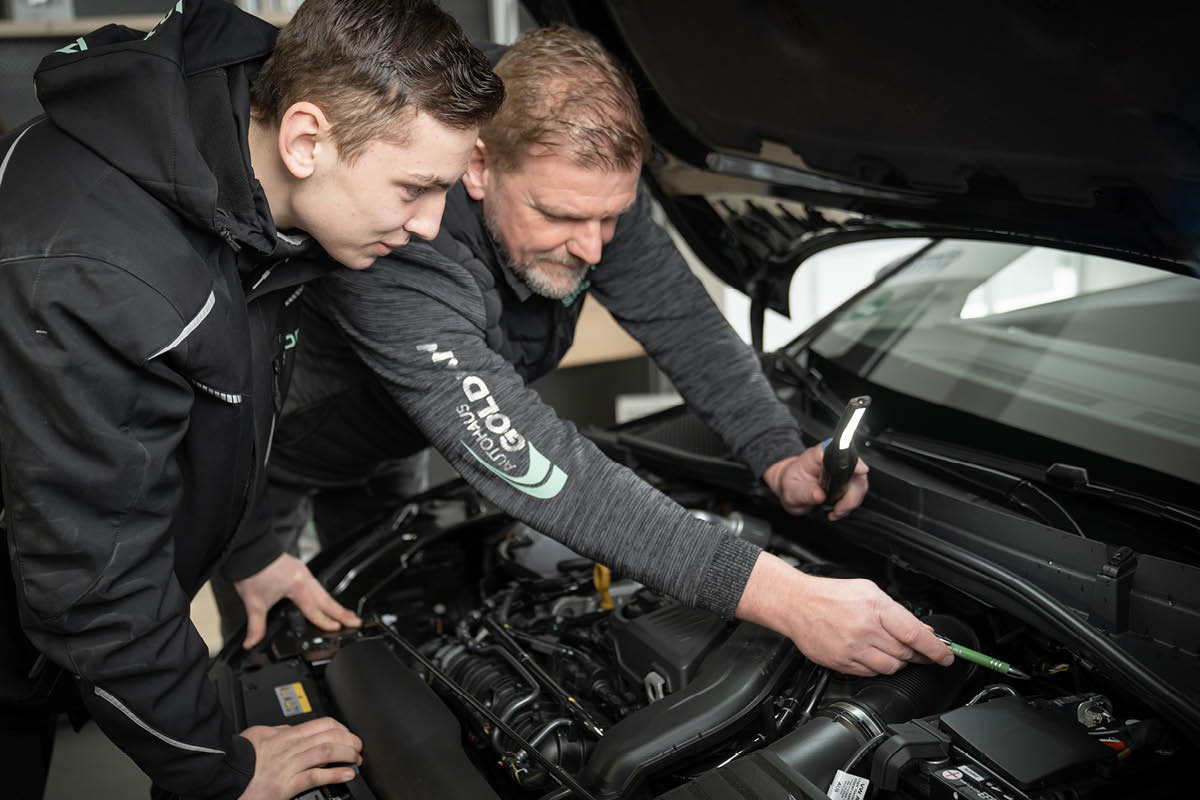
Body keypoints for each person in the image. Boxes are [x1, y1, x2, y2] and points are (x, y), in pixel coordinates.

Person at [261, 25, 953, 682]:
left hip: (392, 436)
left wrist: (775, 452)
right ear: (478, 165)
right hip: (269, 455)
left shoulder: (582, 175)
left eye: (610, 217)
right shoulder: (399, 229)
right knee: (274, 625)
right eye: (559, 217)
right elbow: (535, 461)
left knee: (382, 616)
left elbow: (684, 323)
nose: (594, 248)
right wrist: (787, 598)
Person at [0, 0, 503, 798]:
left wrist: (250, 552)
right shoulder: (107, 274)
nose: (431, 225)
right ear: (307, 140)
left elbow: (211, 413)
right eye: (416, 188)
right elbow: (90, 585)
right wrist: (219, 765)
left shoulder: (234, 175)